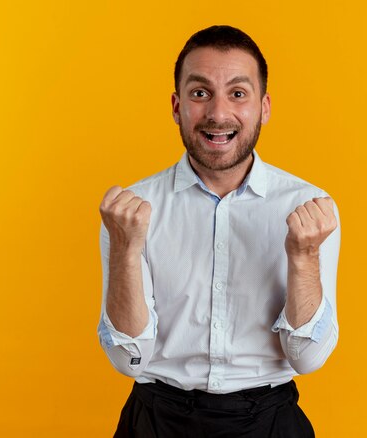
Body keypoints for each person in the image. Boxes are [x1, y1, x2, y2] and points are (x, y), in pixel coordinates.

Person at [97, 25, 340, 438]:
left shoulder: (310, 208)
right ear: (176, 106)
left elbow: (307, 359)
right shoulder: (131, 211)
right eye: (200, 93)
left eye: (238, 93)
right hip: (156, 421)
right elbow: (129, 360)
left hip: (268, 420)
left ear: (264, 107)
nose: (218, 114)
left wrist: (304, 258)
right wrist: (124, 250)